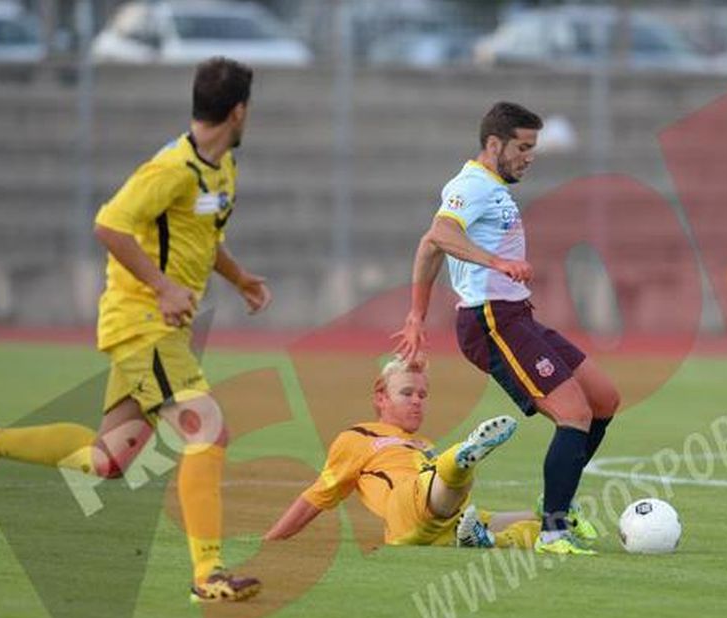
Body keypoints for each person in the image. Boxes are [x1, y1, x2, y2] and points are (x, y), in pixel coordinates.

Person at [0, 57, 271, 603]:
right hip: (144, 322)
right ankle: (207, 573)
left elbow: (200, 237)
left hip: (158, 325)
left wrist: (238, 279)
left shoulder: (221, 170)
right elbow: (109, 225)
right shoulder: (170, 169)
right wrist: (164, 288)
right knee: (207, 430)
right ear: (238, 111)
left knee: (108, 460)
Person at [393, 101, 618, 556]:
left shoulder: (492, 187)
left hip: (516, 314)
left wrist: (416, 314)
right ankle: (553, 532)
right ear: (494, 144)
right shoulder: (471, 184)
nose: (530, 156)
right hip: (489, 318)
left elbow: (429, 244)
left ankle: (558, 504)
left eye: (533, 147)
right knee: (573, 413)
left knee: (603, 399)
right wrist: (497, 262)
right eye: (523, 146)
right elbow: (440, 234)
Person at [263, 356, 543, 550]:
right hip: (402, 510)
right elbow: (316, 497)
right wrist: (272, 539)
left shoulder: (423, 443)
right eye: (407, 393)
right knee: (446, 475)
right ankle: (464, 455)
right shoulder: (359, 437)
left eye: (422, 395)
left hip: (441, 521)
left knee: (536, 526)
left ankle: (511, 531)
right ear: (381, 398)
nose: (417, 402)